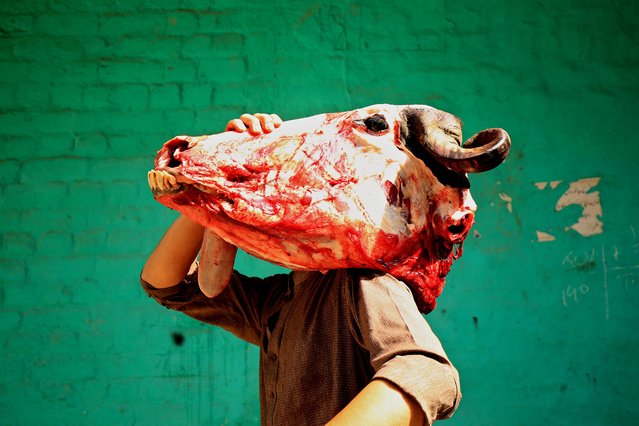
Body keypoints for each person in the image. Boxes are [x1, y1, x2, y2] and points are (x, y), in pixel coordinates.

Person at [140, 113, 461, 425]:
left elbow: (427, 372)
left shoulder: (364, 282)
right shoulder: (278, 302)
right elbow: (166, 283)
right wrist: (215, 178)